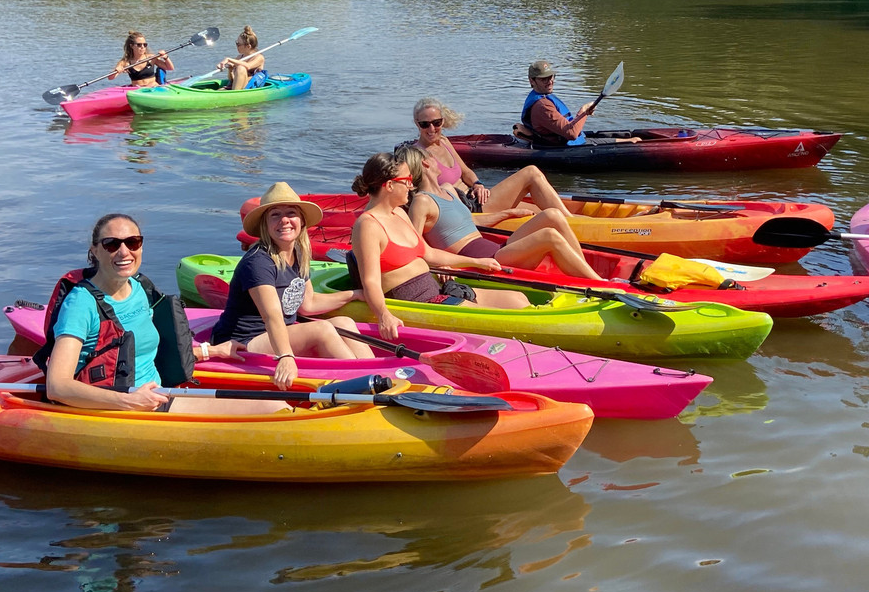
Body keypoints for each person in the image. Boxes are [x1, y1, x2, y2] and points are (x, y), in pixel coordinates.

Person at [43, 213, 287, 413]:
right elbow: (57, 386)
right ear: (95, 251)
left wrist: (210, 351)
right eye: (112, 244)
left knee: (275, 401)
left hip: (158, 395)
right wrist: (129, 401)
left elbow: (140, 348)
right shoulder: (80, 305)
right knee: (270, 408)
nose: (124, 252)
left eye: (133, 242)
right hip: (125, 409)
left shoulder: (138, 287)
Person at [211, 182, 374, 389]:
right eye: (275, 215)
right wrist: (285, 356)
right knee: (321, 329)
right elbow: (272, 316)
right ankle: (361, 384)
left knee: (345, 323)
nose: (285, 220)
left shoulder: (298, 253)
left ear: (302, 221)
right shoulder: (258, 262)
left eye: (291, 213)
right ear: (265, 224)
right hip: (242, 341)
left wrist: (354, 294)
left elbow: (309, 304)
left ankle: (372, 372)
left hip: (277, 333)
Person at [350, 153, 530, 340]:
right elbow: (370, 281)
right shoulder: (368, 226)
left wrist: (477, 262)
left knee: (518, 300)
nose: (411, 186)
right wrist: (383, 315)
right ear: (389, 185)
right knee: (512, 319)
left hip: (438, 291)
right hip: (420, 302)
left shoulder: (399, 214)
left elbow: (429, 254)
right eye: (407, 180)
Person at [395, 144, 604, 281]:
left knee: (552, 215)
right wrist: (441, 269)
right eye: (432, 156)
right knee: (549, 236)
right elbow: (415, 247)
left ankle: (585, 270)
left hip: (497, 250)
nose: (436, 159)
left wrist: (507, 213)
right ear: (426, 163)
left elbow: (470, 221)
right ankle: (599, 284)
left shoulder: (448, 189)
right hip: (485, 260)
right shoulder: (422, 201)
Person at [411, 97, 573, 215]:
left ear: (442, 121)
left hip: (478, 197)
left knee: (541, 210)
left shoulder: (444, 141)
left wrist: (478, 184)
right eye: (425, 124)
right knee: (531, 173)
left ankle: (573, 220)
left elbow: (466, 172)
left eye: (436, 123)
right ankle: (571, 221)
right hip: (468, 208)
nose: (431, 129)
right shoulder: (416, 155)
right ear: (417, 124)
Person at [520, 60, 639, 146]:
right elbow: (571, 133)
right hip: (562, 146)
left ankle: (630, 140)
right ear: (532, 80)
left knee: (624, 137)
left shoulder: (543, 97)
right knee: (631, 141)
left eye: (551, 77)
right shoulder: (542, 106)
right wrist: (583, 112)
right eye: (544, 79)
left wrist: (582, 114)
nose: (550, 81)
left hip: (564, 140)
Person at [108, 31, 174, 88]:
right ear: (131, 46)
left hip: (154, 88)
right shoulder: (125, 62)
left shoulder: (151, 58)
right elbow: (110, 78)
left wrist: (166, 58)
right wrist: (116, 70)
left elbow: (170, 68)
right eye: (139, 45)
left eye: (144, 45)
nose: (142, 47)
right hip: (138, 90)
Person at [216, 26, 266, 90]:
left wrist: (228, 59)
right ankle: (232, 92)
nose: (237, 46)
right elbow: (232, 80)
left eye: (239, 44)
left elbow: (248, 66)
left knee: (241, 68)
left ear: (248, 46)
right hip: (238, 86)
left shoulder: (259, 57)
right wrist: (230, 70)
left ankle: (233, 95)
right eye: (236, 43)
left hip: (250, 86)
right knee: (239, 67)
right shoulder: (239, 57)